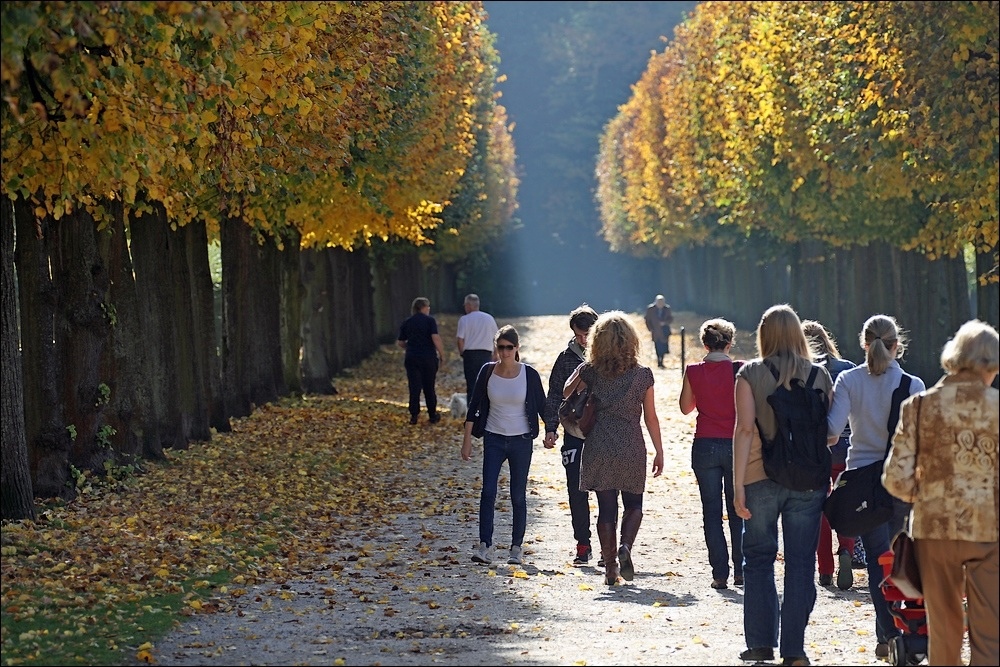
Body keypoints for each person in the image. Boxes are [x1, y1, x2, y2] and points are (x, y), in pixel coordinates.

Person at [883, 319, 999, 667]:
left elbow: (896, 478)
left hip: (934, 530)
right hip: (990, 529)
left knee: (944, 629)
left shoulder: (919, 406)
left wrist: (926, 492)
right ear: (991, 364)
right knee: (991, 631)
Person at [733, 304, 833, 667]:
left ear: (764, 335)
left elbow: (744, 429)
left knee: (758, 558)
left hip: (760, 477)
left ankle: (760, 643)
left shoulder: (750, 374)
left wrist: (738, 483)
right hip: (807, 481)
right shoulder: (820, 375)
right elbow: (831, 433)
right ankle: (794, 649)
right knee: (801, 562)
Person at [826, 314, 925, 658]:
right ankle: (907, 632)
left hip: (863, 485)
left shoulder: (849, 381)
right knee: (903, 560)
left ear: (863, 343)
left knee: (878, 561)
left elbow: (832, 431)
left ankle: (886, 635)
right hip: (902, 482)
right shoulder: (914, 386)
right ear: (898, 345)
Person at [571, 311, 664, 586]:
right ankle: (625, 546)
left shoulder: (591, 372)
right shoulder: (642, 375)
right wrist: (659, 451)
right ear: (631, 341)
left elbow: (566, 393)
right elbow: (651, 417)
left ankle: (610, 567)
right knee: (634, 503)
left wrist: (582, 367)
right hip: (631, 445)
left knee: (606, 509)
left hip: (599, 444)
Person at [461, 325, 546, 566]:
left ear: (517, 348)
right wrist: (467, 440)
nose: (505, 352)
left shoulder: (529, 374)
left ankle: (516, 547)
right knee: (488, 491)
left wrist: (551, 430)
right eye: (501, 347)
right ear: (495, 348)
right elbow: (474, 405)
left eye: (509, 347)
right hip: (494, 438)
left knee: (517, 495)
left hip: (521, 441)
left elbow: (542, 405)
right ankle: (484, 545)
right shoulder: (487, 372)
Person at [678, 318, 744, 590]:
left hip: (704, 443)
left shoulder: (693, 371)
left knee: (711, 512)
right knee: (738, 509)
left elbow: (685, 408)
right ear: (729, 344)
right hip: (735, 444)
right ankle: (741, 570)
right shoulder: (740, 370)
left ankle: (720, 573)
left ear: (705, 343)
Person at [801, 319, 858, 591]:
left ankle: (824, 569)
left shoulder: (801, 372)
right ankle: (846, 548)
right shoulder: (847, 369)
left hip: (816, 449)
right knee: (847, 501)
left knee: (819, 507)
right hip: (848, 445)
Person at [542, 304, 600, 565]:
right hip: (574, 432)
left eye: (587, 334)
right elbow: (555, 393)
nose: (583, 340)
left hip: (603, 433)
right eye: (579, 335)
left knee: (606, 491)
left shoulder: (610, 359)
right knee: (576, 490)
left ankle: (609, 549)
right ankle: (583, 544)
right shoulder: (566, 358)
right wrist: (551, 427)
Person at [397, 297, 446, 425]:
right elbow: (435, 338)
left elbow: (401, 342)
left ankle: (414, 415)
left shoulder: (407, 322)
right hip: (428, 357)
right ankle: (432, 414)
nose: (429, 309)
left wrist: (410, 347)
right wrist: (442, 354)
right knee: (429, 387)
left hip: (412, 357)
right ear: (423, 307)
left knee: (414, 387)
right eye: (427, 306)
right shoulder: (430, 321)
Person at [456, 294, 499, 404]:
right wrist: (495, 353)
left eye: (465, 305)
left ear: (469, 305)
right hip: (486, 354)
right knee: (486, 383)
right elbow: (497, 337)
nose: (464, 307)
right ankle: (485, 409)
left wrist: (462, 353)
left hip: (470, 354)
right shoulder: (489, 318)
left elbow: (460, 339)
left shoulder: (464, 319)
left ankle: (471, 411)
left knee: (471, 384)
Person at [644, 294, 673, 368]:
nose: (660, 304)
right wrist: (650, 328)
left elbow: (670, 319)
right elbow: (647, 319)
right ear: (656, 302)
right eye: (659, 302)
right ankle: (659, 361)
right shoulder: (651, 309)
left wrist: (664, 323)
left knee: (663, 347)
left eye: (662, 302)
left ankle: (661, 360)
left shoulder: (667, 308)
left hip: (664, 331)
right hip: (655, 331)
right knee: (657, 346)